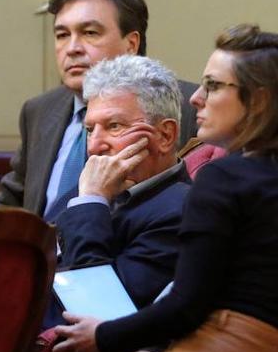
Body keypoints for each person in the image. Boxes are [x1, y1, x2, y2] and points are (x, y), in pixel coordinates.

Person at [55, 23, 278, 352]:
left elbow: (184, 306)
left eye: (214, 86)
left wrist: (102, 336)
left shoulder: (225, 177)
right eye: (89, 129)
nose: (196, 98)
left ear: (260, 100)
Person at [0, 0, 198, 216]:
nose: (72, 48)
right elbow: (9, 203)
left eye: (89, 33)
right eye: (62, 35)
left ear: (131, 44)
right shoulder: (40, 110)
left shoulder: (189, 107)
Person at [49, 54, 192, 322]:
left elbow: (98, 310)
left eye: (114, 126)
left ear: (165, 135)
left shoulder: (182, 211)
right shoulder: (88, 189)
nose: (94, 146)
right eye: (90, 129)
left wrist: (92, 201)